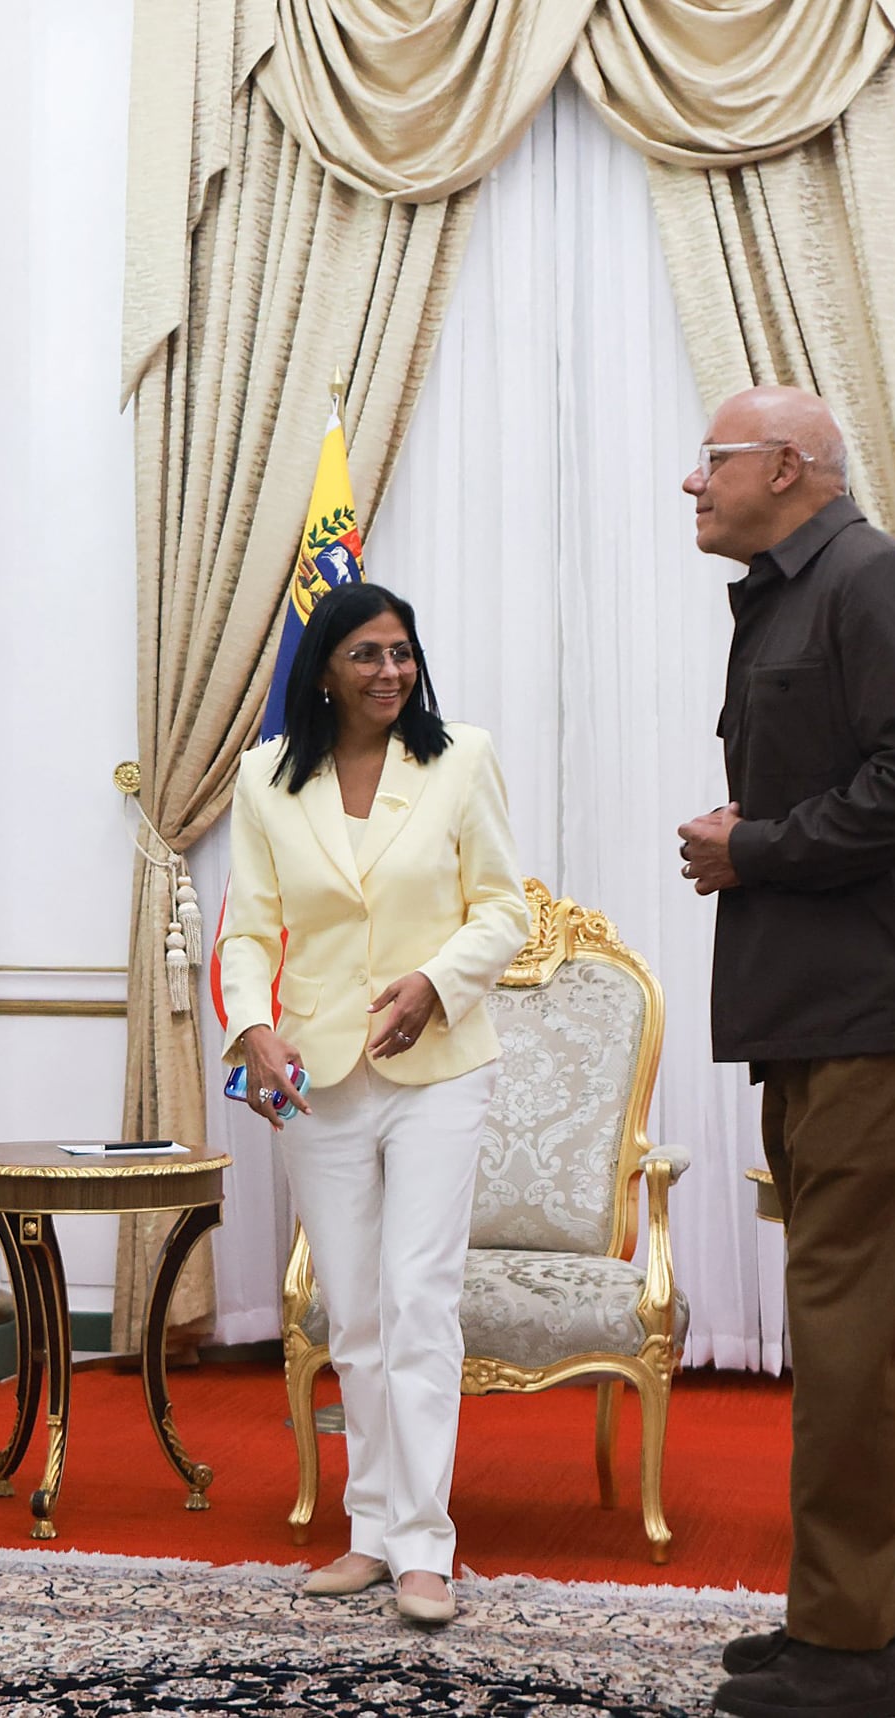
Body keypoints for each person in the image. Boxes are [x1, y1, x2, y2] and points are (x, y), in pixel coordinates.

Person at [676, 387, 895, 1718]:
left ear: (787, 466)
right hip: (839, 1006)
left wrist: (749, 846)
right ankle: (894, 1609)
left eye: (711, 460)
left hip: (886, 1007)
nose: (690, 484)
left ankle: (841, 1652)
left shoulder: (878, 581)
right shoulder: (789, 594)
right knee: (867, 1331)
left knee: (835, 1326)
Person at [218, 582, 530, 1628]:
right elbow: (250, 927)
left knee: (416, 1294)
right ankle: (369, 1532)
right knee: (350, 1306)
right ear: (324, 669)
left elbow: (504, 908)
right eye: (366, 654)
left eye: (402, 652)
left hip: (439, 1063)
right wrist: (252, 1026)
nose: (390, 671)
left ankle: (425, 1548)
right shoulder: (265, 776)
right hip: (313, 1070)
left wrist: (436, 981)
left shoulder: (461, 758)